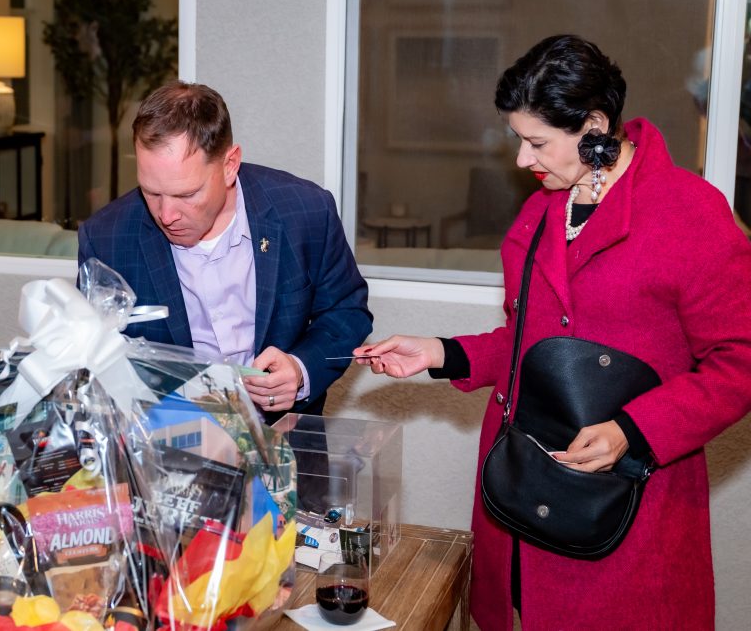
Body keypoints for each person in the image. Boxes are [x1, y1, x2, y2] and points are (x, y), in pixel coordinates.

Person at [353, 35, 751, 630]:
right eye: (519, 139)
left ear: (594, 126)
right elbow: (525, 342)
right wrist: (440, 353)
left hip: (630, 509)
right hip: (526, 493)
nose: (521, 160)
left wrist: (633, 431)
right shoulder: (541, 212)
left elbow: (740, 361)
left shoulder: (689, 213)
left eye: (536, 142)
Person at [78, 80, 372, 425]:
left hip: (287, 441)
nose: (167, 215)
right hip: (164, 447)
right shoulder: (107, 238)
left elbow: (346, 312)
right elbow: (93, 356)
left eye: (186, 195)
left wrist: (300, 368)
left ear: (230, 164)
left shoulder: (305, 212)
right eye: (151, 192)